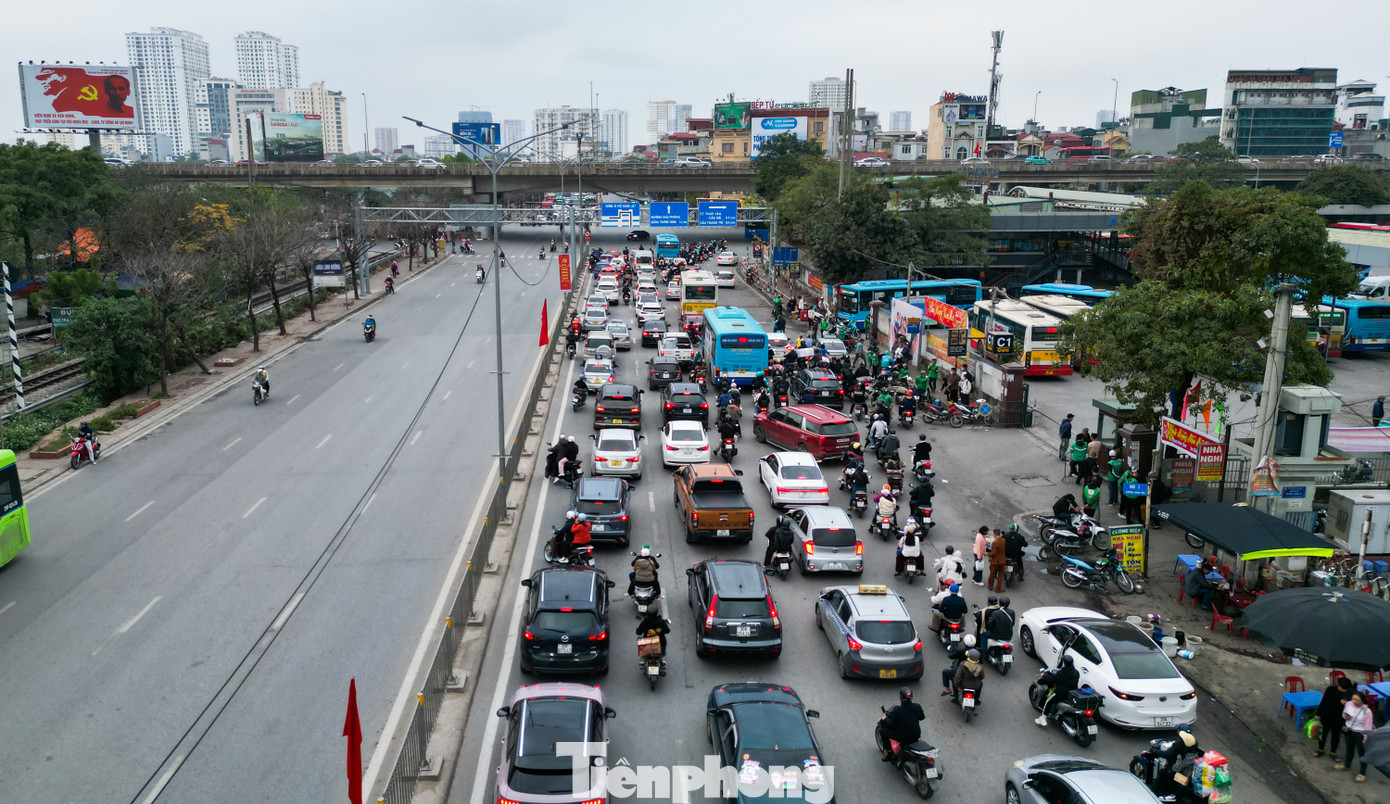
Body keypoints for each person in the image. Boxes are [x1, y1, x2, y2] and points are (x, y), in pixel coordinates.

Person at [878, 687, 926, 760]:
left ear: (901, 697)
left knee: (883, 731)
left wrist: (885, 719)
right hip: (916, 735)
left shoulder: (898, 710)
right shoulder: (917, 706)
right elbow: (922, 717)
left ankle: (889, 753)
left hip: (903, 737)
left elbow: (892, 725)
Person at [1314, 676, 1355, 758]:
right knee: (1323, 733)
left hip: (1339, 718)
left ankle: (1333, 752)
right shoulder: (1330, 690)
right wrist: (1318, 714)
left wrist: (1346, 704)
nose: (1343, 690)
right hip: (1326, 715)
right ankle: (1320, 749)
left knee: (1336, 735)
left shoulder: (1350, 694)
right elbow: (1324, 702)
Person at [1338, 691, 1374, 781]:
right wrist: (1345, 716)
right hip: (1349, 730)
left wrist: (1366, 737)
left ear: (1362, 701)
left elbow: (1368, 725)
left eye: (1357, 700)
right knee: (1349, 749)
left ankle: (1362, 773)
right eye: (1353, 698)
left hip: (1360, 733)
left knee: (1362, 753)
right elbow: (1344, 713)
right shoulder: (1349, 704)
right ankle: (1347, 765)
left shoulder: (1367, 711)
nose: (1354, 701)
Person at [1035, 654, 1080, 725]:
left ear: (1064, 663)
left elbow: (1051, 679)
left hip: (1061, 693)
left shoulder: (1062, 673)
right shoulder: (1076, 673)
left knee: (1048, 701)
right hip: (1071, 693)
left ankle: (1043, 718)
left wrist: (1044, 676)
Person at [988, 529, 1010, 593]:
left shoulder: (995, 543)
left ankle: (990, 586)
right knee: (1000, 575)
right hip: (1002, 560)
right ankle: (998, 588)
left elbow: (993, 553)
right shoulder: (1003, 540)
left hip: (995, 561)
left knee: (992, 574)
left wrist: (987, 553)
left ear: (994, 534)